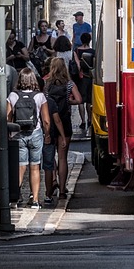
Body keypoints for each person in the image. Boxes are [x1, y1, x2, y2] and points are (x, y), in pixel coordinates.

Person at [6, 67, 50, 209]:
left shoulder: (13, 96)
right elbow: (46, 120)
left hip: (18, 135)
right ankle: (35, 200)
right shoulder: (40, 96)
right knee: (35, 167)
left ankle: (15, 198)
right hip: (35, 133)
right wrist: (47, 134)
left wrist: (8, 135)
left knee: (20, 167)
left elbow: (8, 118)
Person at [44, 56, 82, 201]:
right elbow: (79, 100)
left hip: (50, 121)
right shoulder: (69, 84)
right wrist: (68, 101)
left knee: (50, 154)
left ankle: (53, 180)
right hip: (65, 122)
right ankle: (62, 190)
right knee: (62, 157)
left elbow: (43, 102)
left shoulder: (47, 84)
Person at [73, 31, 95, 137]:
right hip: (90, 77)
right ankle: (90, 119)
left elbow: (77, 64)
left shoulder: (76, 51)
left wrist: (79, 72)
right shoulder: (93, 51)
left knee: (81, 100)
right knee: (89, 101)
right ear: (89, 40)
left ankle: (83, 121)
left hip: (80, 78)